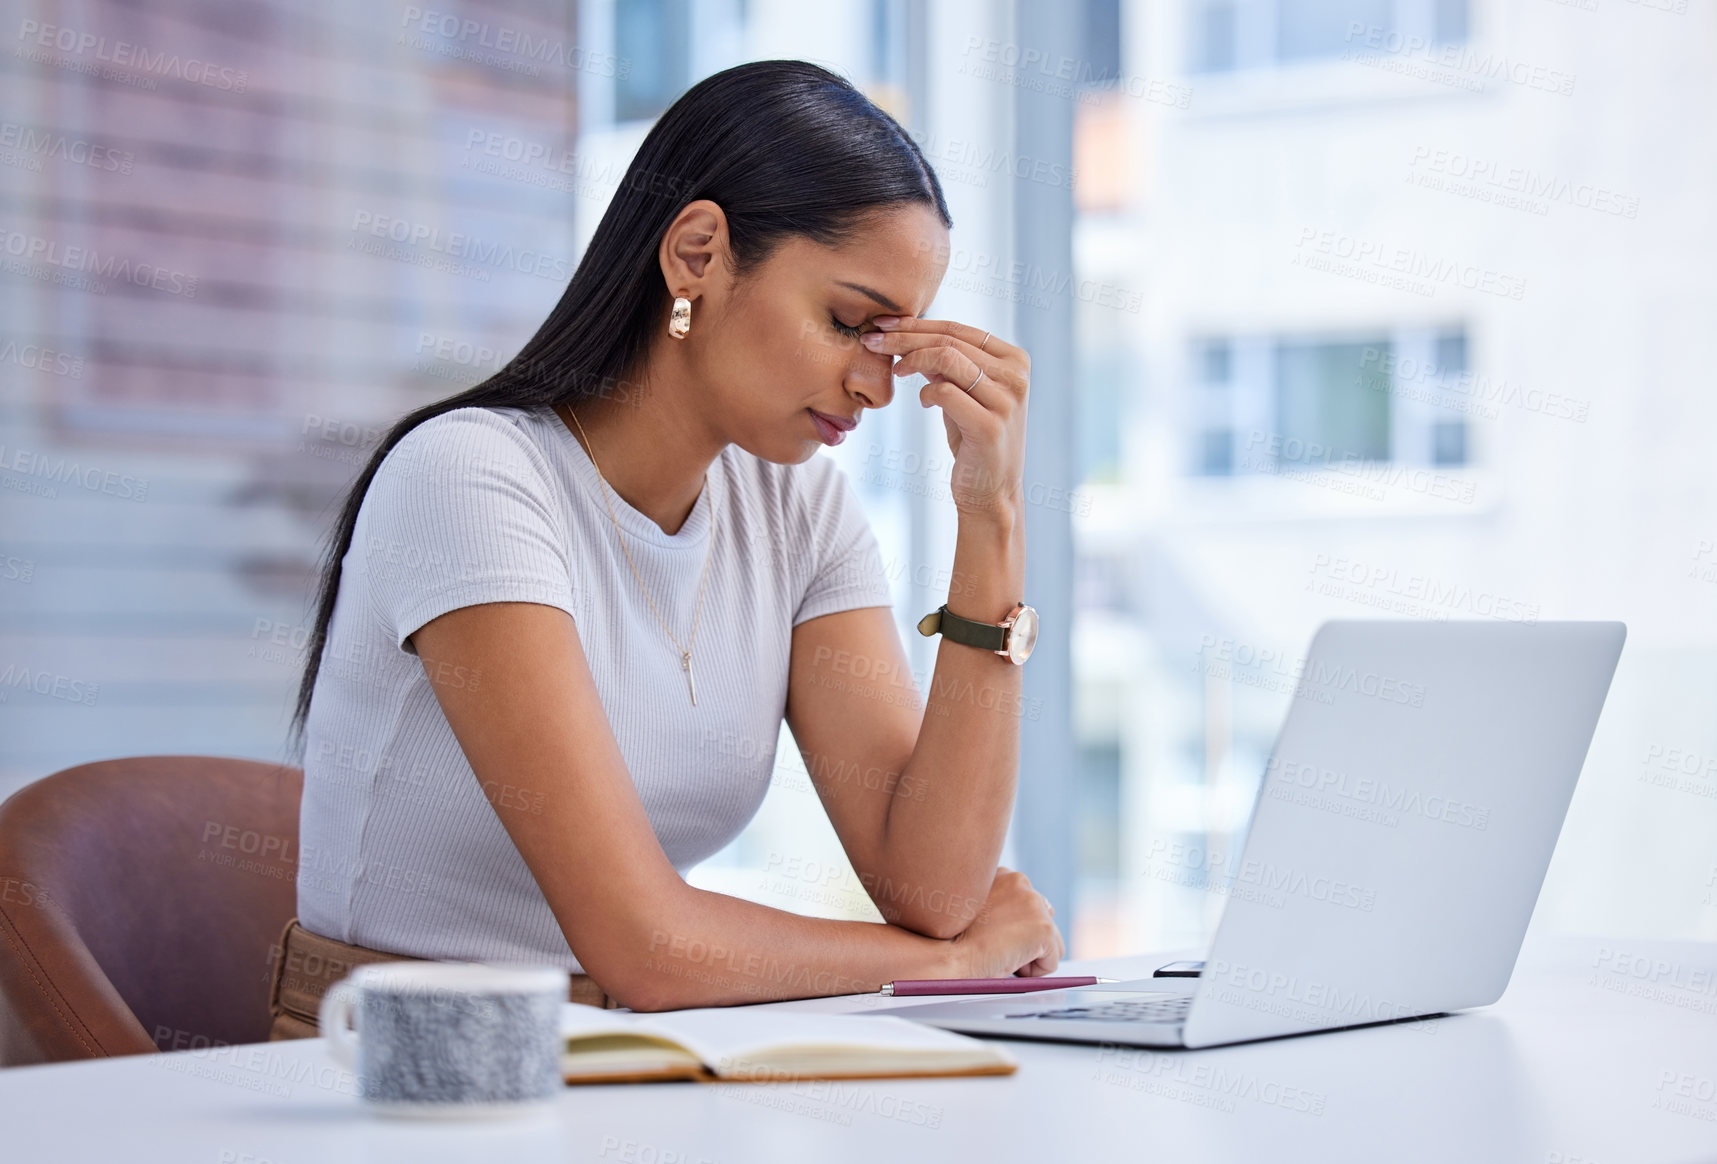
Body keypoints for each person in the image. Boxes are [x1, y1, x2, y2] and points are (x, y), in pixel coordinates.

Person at [289, 59, 1060, 1012]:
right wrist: (951, 966)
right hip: (412, 1071)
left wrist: (992, 517)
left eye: (895, 344)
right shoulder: (471, 478)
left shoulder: (797, 510)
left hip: (634, 1058)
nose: (877, 385)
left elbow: (932, 891)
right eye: (848, 322)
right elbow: (648, 951)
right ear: (696, 254)